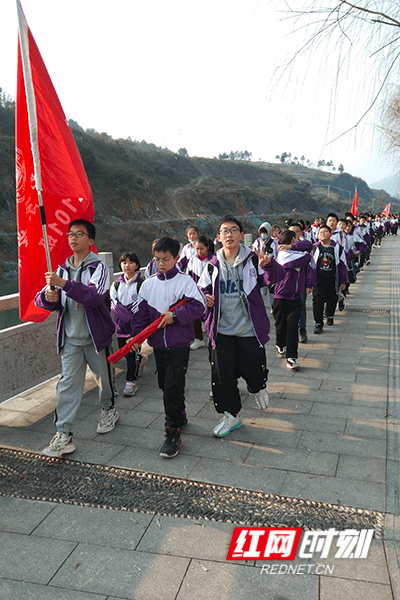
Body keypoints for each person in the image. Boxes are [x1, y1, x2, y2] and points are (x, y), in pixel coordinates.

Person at [34, 219, 117, 457]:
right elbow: (43, 298)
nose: (73, 238)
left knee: (104, 380)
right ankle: (64, 434)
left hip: (95, 337)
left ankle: (109, 409)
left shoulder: (98, 268)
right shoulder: (60, 269)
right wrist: (49, 297)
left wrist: (64, 284)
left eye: (79, 234)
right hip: (70, 339)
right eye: (70, 234)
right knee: (67, 385)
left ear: (90, 241)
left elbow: (93, 296)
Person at [198, 215, 285, 437]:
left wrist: (269, 264)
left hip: (248, 329)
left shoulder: (253, 260)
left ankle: (257, 386)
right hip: (221, 330)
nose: (229, 234)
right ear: (218, 237)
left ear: (241, 235)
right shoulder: (211, 266)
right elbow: (200, 291)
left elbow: (276, 277)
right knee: (222, 376)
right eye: (225, 231)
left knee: (253, 369)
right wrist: (205, 297)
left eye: (233, 230)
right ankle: (231, 416)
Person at [129, 236, 207, 458]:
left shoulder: (185, 282)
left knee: (172, 387)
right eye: (156, 259)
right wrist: (135, 337)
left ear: (177, 257)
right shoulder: (148, 284)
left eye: (165, 259)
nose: (160, 263)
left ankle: (172, 431)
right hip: (157, 347)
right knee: (167, 385)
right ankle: (180, 414)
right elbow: (140, 316)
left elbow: (199, 307)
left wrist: (175, 315)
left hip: (179, 345)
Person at [274, 229, 312, 370]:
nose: (298, 241)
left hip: (295, 298)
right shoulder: (283, 255)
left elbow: (309, 244)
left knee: (292, 328)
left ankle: (292, 358)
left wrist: (292, 246)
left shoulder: (293, 251)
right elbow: (308, 256)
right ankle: (280, 345)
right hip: (280, 298)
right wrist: (296, 250)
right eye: (295, 239)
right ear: (290, 240)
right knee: (280, 327)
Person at [110, 251, 146, 397]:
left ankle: (131, 381)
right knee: (124, 352)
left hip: (136, 326)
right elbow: (114, 304)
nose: (127, 265)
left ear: (137, 265)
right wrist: (125, 316)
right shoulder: (116, 284)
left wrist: (130, 318)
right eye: (124, 262)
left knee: (131, 353)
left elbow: (141, 305)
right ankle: (141, 359)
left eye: (131, 262)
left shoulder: (142, 284)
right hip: (120, 326)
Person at [310, 225, 347, 333]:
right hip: (318, 279)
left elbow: (342, 266)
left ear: (331, 234)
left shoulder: (337, 248)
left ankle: (330, 315)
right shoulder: (314, 247)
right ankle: (318, 323)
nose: (322, 234)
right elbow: (310, 265)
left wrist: (343, 281)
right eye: (320, 232)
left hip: (332, 279)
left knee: (332, 299)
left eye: (325, 232)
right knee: (317, 300)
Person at [187, 235, 215, 350]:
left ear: (207, 247)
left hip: (210, 293)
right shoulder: (193, 259)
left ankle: (213, 338)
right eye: (196, 249)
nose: (198, 251)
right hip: (196, 291)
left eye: (201, 249)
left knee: (211, 316)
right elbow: (189, 274)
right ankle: (199, 339)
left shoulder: (213, 260)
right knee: (195, 316)